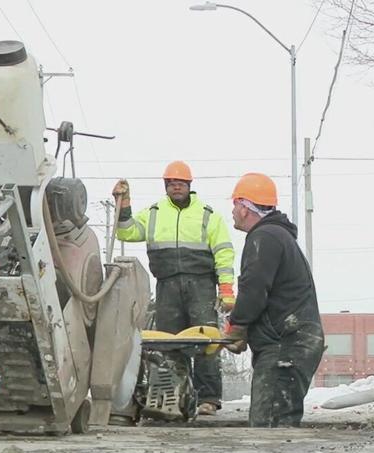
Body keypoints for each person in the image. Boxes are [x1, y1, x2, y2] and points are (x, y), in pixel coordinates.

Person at [112, 161, 235, 416]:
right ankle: (176, 396)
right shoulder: (153, 212)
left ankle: (208, 398)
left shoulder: (208, 215)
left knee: (206, 340)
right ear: (166, 186)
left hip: (201, 284)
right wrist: (123, 206)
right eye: (171, 183)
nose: (176, 187)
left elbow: (224, 253)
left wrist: (226, 289)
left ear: (189, 186)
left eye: (180, 183)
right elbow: (127, 233)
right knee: (169, 342)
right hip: (167, 284)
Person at [222, 172, 325, 427]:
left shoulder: (264, 237)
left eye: (235, 204)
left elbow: (254, 290)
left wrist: (237, 327)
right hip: (292, 341)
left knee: (269, 427)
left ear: (245, 207)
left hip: (284, 345)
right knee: (278, 424)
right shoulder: (278, 236)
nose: (233, 210)